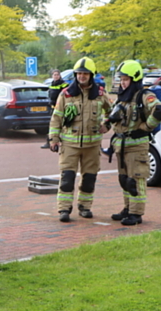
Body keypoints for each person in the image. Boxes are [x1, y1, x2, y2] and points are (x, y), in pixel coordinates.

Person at [48, 57, 112, 223]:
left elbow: (113, 112)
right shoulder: (66, 94)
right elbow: (57, 118)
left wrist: (107, 124)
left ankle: (85, 207)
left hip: (92, 145)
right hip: (70, 144)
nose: (82, 76)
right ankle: (64, 209)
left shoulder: (100, 94)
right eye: (79, 73)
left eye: (85, 73)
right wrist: (54, 138)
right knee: (67, 178)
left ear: (91, 75)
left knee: (89, 178)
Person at [107, 60, 161, 226]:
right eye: (121, 79)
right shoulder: (123, 97)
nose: (123, 83)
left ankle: (136, 213)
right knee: (124, 179)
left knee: (136, 180)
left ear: (135, 79)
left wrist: (146, 128)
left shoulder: (144, 95)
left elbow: (159, 110)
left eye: (126, 79)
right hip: (122, 146)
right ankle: (128, 208)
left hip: (137, 146)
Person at [42, 69, 68, 149]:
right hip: (53, 107)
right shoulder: (52, 84)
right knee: (52, 124)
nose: (56, 76)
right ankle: (49, 142)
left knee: (62, 125)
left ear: (60, 76)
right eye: (54, 75)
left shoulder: (64, 85)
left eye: (57, 75)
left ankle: (64, 142)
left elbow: (64, 96)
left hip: (61, 108)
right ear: (52, 76)